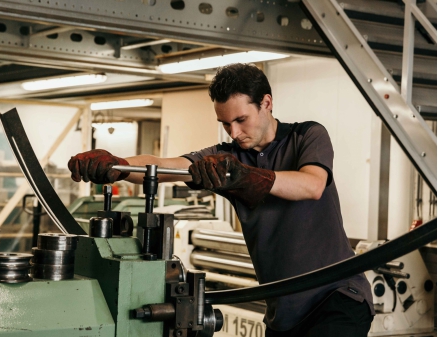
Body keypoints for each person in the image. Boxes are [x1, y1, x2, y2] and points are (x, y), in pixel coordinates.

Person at [68, 63, 375, 336]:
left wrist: (247, 177)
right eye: (226, 124)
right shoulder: (225, 159)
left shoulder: (307, 136)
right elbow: (165, 167)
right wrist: (118, 166)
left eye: (241, 119)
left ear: (266, 103)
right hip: (284, 312)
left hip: (338, 296)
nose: (234, 132)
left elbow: (312, 185)